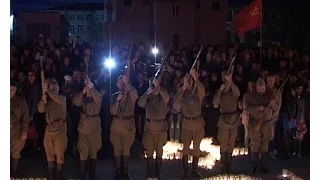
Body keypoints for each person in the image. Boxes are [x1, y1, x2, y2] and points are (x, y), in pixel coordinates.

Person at [173, 69, 205, 179]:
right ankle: (185, 171)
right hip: (186, 123)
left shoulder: (197, 93)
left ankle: (194, 170)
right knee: (185, 148)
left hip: (198, 123)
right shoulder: (183, 93)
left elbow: (202, 91)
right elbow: (175, 103)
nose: (189, 83)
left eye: (189, 81)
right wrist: (183, 88)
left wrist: (196, 79)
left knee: (196, 147)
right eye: (187, 81)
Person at [243, 77, 278, 174]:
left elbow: (276, 108)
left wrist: (272, 104)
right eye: (259, 87)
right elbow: (247, 109)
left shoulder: (270, 95)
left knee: (264, 146)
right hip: (255, 124)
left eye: (263, 87)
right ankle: (254, 166)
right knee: (255, 145)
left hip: (267, 125)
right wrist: (258, 108)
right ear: (256, 87)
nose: (261, 89)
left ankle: (263, 165)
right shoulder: (249, 96)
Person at [138, 77, 170, 179]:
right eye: (152, 84)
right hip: (149, 128)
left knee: (159, 151)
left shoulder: (163, 95)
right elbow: (140, 103)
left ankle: (157, 172)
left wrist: (159, 87)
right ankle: (150, 171)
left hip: (161, 128)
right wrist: (148, 92)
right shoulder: (148, 96)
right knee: (149, 151)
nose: (153, 86)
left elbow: (167, 98)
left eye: (154, 84)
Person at [37, 77, 67, 180]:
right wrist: (43, 99)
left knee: (59, 153)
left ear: (58, 87)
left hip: (60, 129)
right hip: (49, 129)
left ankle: (59, 174)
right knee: (49, 152)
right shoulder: (47, 99)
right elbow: (41, 110)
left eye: (54, 84)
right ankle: (51, 174)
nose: (52, 86)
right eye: (50, 85)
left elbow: (55, 97)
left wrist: (46, 90)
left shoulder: (61, 98)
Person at [73, 77, 102, 180]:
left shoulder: (96, 94)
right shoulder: (83, 97)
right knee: (83, 150)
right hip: (84, 126)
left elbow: (99, 99)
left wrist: (92, 89)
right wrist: (82, 92)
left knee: (93, 150)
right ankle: (82, 174)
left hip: (94, 126)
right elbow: (76, 102)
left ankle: (92, 174)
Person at [110, 75, 138, 180]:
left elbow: (135, 97)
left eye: (123, 82)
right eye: (120, 82)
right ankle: (118, 172)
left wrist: (128, 85)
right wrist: (117, 100)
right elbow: (112, 111)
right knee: (117, 150)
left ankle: (125, 172)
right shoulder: (114, 96)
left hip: (128, 125)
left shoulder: (131, 93)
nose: (122, 84)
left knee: (126, 150)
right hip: (116, 125)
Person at [213, 69, 240, 174]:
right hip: (224, 119)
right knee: (223, 143)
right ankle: (223, 166)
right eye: (224, 76)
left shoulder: (233, 88)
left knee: (231, 143)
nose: (225, 78)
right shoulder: (220, 89)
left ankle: (229, 165)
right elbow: (215, 103)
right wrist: (220, 90)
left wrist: (231, 82)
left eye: (227, 76)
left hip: (234, 118)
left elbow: (237, 93)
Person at [10, 80, 30, 177]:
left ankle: (14, 171)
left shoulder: (21, 100)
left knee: (16, 153)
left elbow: (26, 117)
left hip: (17, 131)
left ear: (16, 90)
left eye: (12, 89)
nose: (10, 91)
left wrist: (24, 131)